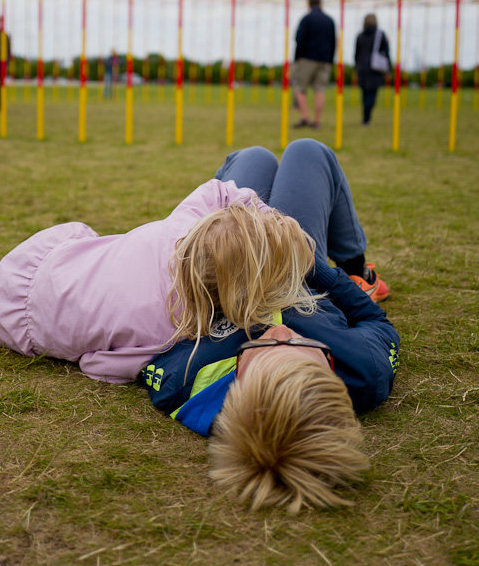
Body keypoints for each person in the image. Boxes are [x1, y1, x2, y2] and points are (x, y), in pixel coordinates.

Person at [141, 140, 396, 512]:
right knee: (308, 151)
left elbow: (158, 355)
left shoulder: (183, 385)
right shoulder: (365, 372)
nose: (278, 333)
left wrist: (223, 283)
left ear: (238, 386)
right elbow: (376, 321)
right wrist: (316, 267)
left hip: (233, 258)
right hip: (299, 268)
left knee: (252, 158)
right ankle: (359, 268)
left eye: (258, 349)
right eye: (301, 344)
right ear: (329, 371)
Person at [0, 165, 325, 383]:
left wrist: (259, 214)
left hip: (38, 271)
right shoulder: (171, 332)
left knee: (97, 256)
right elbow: (95, 365)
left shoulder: (181, 227)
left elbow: (217, 189)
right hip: (22, 317)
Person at [293, 0, 336, 129]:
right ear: (321, 3)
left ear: (308, 3)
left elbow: (299, 39)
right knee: (320, 90)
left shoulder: (306, 19)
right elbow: (334, 41)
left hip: (307, 58)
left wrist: (297, 57)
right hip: (324, 60)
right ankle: (317, 121)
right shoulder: (329, 20)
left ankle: (305, 117)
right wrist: (330, 59)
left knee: (300, 88)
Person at [355, 14, 391, 126]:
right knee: (372, 95)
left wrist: (356, 67)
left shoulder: (360, 36)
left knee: (365, 94)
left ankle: (366, 117)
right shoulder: (380, 35)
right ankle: (367, 117)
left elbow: (356, 54)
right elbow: (386, 52)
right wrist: (388, 69)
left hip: (362, 68)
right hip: (375, 69)